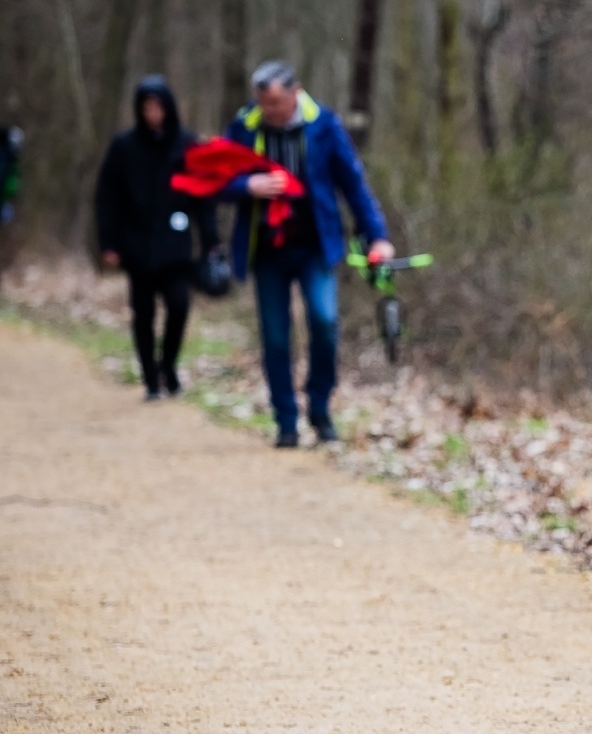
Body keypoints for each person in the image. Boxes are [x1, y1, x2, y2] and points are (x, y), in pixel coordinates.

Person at [217, 61, 392, 447]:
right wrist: (248, 186)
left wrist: (377, 236)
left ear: (296, 93)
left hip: (316, 246)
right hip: (267, 250)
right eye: (263, 103)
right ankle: (285, 421)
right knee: (276, 336)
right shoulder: (244, 127)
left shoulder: (324, 125)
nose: (270, 111)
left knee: (324, 321)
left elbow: (353, 184)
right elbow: (217, 180)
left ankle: (320, 408)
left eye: (277, 103)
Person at [94, 76, 218, 400]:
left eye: (158, 107)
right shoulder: (124, 147)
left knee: (179, 305)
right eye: (147, 108)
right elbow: (107, 197)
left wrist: (211, 241)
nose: (153, 114)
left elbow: (203, 198)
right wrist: (109, 242)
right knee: (143, 313)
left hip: (175, 244)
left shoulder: (187, 145)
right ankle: (150, 378)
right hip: (137, 245)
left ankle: (169, 365)